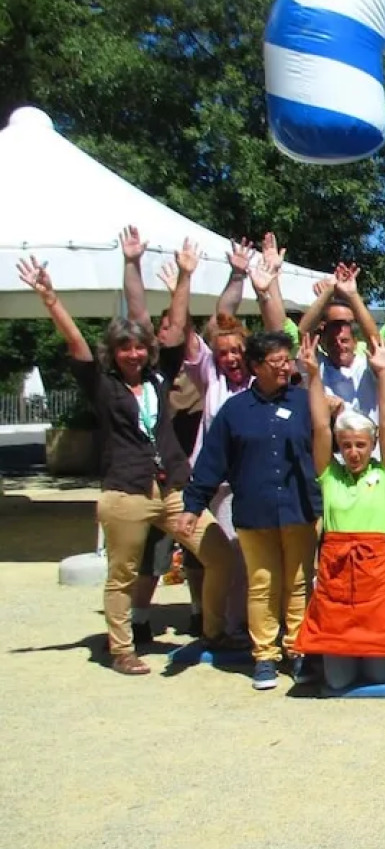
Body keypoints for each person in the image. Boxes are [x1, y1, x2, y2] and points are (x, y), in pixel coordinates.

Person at [17, 245, 232, 677]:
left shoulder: (158, 375)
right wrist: (51, 301)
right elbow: (75, 342)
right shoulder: (102, 385)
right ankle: (121, 649)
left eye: (139, 347)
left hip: (174, 488)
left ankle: (213, 632)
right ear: (113, 352)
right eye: (125, 348)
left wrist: (185, 277)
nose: (134, 354)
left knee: (220, 555)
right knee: (123, 574)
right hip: (126, 491)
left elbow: (173, 330)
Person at [180, 330, 322, 690]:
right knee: (262, 584)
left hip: (299, 508)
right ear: (256, 366)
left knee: (299, 582)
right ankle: (264, 655)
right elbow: (211, 462)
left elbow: (325, 433)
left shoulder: (305, 401)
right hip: (254, 512)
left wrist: (318, 383)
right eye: (277, 362)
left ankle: (298, 649)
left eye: (287, 361)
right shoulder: (235, 411)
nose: (285, 367)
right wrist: (193, 505)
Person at [294, 333, 385, 692]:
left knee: (379, 676)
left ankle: (370, 657)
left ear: (371, 445)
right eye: (347, 446)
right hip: (336, 574)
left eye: (360, 445)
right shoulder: (330, 476)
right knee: (338, 680)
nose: (354, 452)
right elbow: (320, 426)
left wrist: (383, 374)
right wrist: (313, 375)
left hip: (376, 574)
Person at [299, 263, 384, 420]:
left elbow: (375, 342)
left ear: (356, 341)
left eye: (344, 340)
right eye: (332, 341)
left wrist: (352, 295)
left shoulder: (367, 366)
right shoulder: (318, 366)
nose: (339, 345)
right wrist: (328, 292)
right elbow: (303, 334)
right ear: (323, 342)